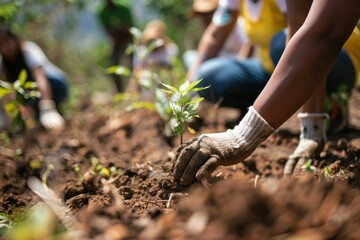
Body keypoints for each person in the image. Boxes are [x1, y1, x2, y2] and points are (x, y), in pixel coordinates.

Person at [173, 0, 360, 185]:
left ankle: (331, 103)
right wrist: (186, 92)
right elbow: (215, 35)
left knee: (280, 42)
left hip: (337, 60)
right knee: (209, 76)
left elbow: (322, 35)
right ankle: (274, 104)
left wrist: (241, 137)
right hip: (278, 68)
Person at [189, 0, 287, 116]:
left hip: (292, 72)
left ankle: (299, 107)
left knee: (280, 43)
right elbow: (214, 36)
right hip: (265, 72)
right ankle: (255, 108)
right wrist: (188, 87)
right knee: (205, 77)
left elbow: (299, 32)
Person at [0, 26, 68, 132]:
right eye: (1, 45)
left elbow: (41, 79)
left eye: (8, 42)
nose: (6, 47)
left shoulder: (28, 50)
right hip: (31, 93)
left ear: (14, 39)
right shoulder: (3, 65)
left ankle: (49, 109)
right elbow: (8, 92)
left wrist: (47, 107)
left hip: (55, 84)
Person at [182, 0, 253, 70]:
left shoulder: (238, 25)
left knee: (205, 69)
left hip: (237, 65)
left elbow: (249, 44)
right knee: (189, 56)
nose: (205, 18)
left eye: (209, 13)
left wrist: (236, 70)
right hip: (218, 63)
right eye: (201, 15)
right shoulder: (208, 32)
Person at [96, 0, 133, 93]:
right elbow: (107, 29)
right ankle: (120, 93)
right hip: (115, 40)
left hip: (128, 39)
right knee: (113, 65)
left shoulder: (123, 7)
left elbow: (128, 27)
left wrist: (120, 37)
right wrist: (115, 39)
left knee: (133, 65)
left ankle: (135, 91)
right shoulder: (101, 12)